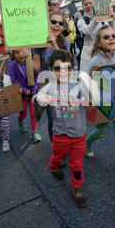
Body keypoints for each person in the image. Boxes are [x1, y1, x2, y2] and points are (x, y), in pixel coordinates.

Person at [33, 50, 97, 208]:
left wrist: (90, 85)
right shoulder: (50, 86)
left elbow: (95, 98)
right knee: (56, 158)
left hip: (79, 134)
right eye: (57, 68)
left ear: (73, 69)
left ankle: (78, 187)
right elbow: (37, 97)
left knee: (76, 164)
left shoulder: (79, 84)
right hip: (60, 135)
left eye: (67, 68)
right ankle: (53, 167)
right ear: (51, 70)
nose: (63, 72)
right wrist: (40, 99)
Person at [85, 25, 115, 173]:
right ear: (98, 42)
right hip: (101, 103)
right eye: (106, 37)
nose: (111, 39)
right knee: (101, 132)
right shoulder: (95, 61)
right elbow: (87, 81)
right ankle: (87, 144)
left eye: (113, 36)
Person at [33, 12, 70, 141]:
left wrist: (54, 45)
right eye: (53, 22)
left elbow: (67, 63)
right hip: (47, 85)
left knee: (65, 117)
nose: (56, 25)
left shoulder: (65, 42)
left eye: (60, 23)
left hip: (64, 85)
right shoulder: (38, 44)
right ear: (47, 23)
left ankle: (66, 144)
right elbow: (36, 68)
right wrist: (27, 57)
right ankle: (56, 150)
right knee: (53, 118)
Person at [10, 47, 41, 143]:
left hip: (32, 93)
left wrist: (35, 88)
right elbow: (14, 80)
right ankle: (20, 121)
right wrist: (23, 90)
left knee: (33, 113)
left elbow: (36, 76)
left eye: (23, 52)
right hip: (21, 94)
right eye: (17, 52)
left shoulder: (30, 62)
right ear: (13, 55)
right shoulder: (13, 65)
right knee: (23, 113)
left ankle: (34, 132)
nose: (20, 54)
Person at [77, 0, 115, 72]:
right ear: (83, 7)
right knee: (87, 80)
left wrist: (112, 20)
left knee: (102, 81)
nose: (88, 6)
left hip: (102, 54)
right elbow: (87, 31)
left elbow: (111, 32)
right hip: (88, 56)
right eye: (85, 4)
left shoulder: (103, 19)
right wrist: (97, 17)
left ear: (94, 4)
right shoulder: (81, 21)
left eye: (90, 3)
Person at [0, 64, 13, 152]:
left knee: (4, 125)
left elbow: (11, 90)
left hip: (5, 107)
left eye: (2, 70)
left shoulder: (7, 78)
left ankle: (5, 141)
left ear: (4, 70)